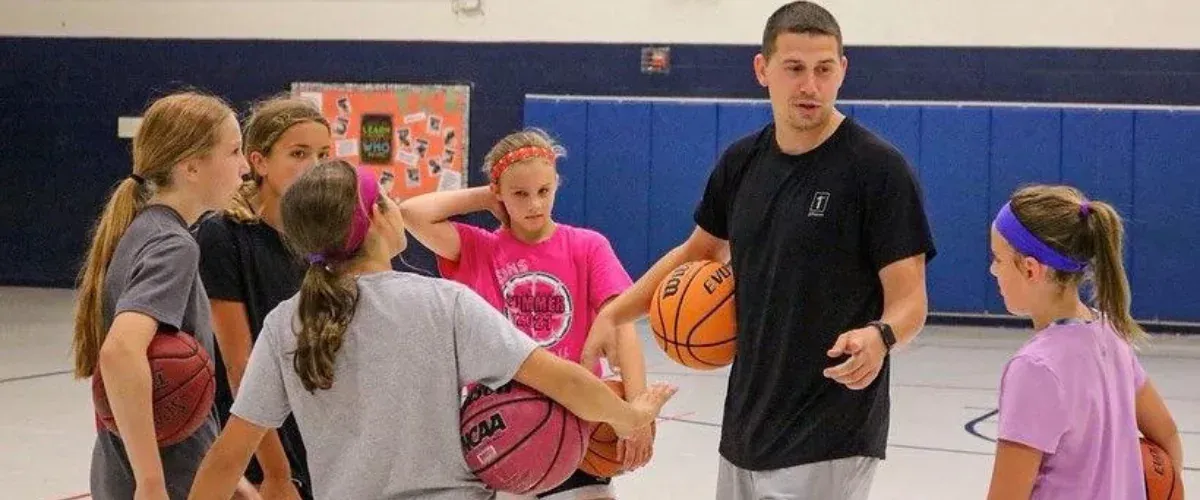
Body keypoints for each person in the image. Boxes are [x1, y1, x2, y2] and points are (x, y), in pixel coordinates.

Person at [581, 2, 937, 499]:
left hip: (831, 430)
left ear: (843, 71)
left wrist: (880, 336)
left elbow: (911, 301)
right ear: (762, 69)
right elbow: (697, 253)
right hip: (747, 424)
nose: (809, 85)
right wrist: (614, 313)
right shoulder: (742, 161)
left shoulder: (878, 170)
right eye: (794, 68)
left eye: (824, 69)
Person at [187, 160, 677, 500]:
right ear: (379, 216)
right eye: (387, 198)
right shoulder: (442, 304)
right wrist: (630, 415)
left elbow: (226, 459)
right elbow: (567, 383)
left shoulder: (284, 324)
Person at [399, 128, 655, 499]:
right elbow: (411, 213)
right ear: (498, 193)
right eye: (519, 193)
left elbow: (622, 326)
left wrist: (636, 412)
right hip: (504, 424)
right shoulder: (478, 249)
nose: (534, 204)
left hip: (576, 419)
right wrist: (484, 197)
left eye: (544, 191)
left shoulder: (587, 247)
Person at [70, 91, 251, 499]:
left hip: (133, 469)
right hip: (164, 482)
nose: (244, 168)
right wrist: (151, 481)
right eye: (234, 152)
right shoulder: (173, 245)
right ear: (191, 167)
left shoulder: (143, 229)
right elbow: (119, 352)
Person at [985, 185, 1182, 499]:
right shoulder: (1111, 333)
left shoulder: (1035, 368)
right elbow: (1168, 433)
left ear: (1030, 269)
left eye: (998, 259)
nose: (992, 270)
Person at [195, 95, 333, 499]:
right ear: (258, 162)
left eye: (324, 154)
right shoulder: (222, 236)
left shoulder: (324, 237)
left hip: (312, 424)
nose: (315, 167)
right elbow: (240, 365)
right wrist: (276, 471)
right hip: (254, 434)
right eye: (298, 153)